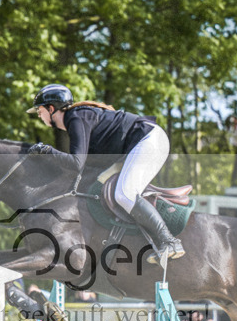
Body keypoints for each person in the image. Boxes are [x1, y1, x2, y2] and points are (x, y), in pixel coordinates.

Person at [27, 84, 182, 265]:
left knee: (124, 194)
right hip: (141, 143)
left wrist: (46, 151)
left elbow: (76, 164)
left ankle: (169, 241)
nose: (38, 114)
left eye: (40, 110)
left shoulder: (75, 118)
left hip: (148, 140)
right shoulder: (77, 120)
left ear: (51, 109)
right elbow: (87, 167)